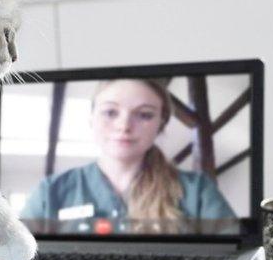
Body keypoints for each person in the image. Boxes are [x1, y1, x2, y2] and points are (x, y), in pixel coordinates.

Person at [20, 78, 236, 224]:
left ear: (160, 125)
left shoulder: (197, 191)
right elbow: (15, 259)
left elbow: (235, 256)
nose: (124, 126)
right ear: (91, 120)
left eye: (144, 114)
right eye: (110, 112)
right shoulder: (50, 192)